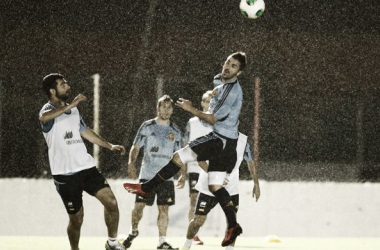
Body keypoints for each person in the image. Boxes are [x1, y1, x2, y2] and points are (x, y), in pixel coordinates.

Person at [124, 51, 248, 246]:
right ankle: (233, 225)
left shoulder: (232, 92)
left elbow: (212, 119)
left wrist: (191, 109)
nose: (227, 67)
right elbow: (217, 89)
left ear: (239, 73)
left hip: (220, 140)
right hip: (227, 143)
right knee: (215, 185)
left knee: (179, 155)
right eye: (227, 62)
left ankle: (146, 186)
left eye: (233, 66)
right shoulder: (220, 82)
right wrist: (214, 96)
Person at [39, 73, 126, 250]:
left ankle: (112, 243)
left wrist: (109, 146)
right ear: (52, 90)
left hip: (86, 168)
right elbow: (44, 118)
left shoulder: (74, 110)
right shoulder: (46, 110)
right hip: (65, 174)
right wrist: (71, 104)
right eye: (63, 84)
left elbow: (85, 131)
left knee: (111, 202)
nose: (68, 86)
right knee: (77, 219)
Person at [122, 95, 183, 250]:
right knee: (139, 207)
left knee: (164, 208)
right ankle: (133, 231)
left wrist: (183, 173)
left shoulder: (175, 130)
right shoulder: (147, 126)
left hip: (166, 178)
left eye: (169, 107)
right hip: (147, 174)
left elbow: (180, 154)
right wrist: (131, 163)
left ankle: (162, 241)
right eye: (163, 107)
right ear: (157, 108)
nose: (166, 110)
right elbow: (135, 147)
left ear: (172, 110)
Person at [181, 133, 260, 250]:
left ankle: (229, 249)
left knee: (232, 223)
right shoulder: (211, 138)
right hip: (209, 187)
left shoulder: (243, 141)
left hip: (231, 188)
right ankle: (187, 244)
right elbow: (201, 161)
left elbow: (250, 161)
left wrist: (256, 183)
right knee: (198, 220)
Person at [176, 90, 213, 246]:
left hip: (214, 169)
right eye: (207, 100)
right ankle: (193, 236)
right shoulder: (192, 123)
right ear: (202, 103)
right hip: (195, 167)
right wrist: (182, 173)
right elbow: (185, 146)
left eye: (213, 100)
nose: (210, 103)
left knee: (213, 203)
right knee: (194, 200)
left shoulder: (219, 122)